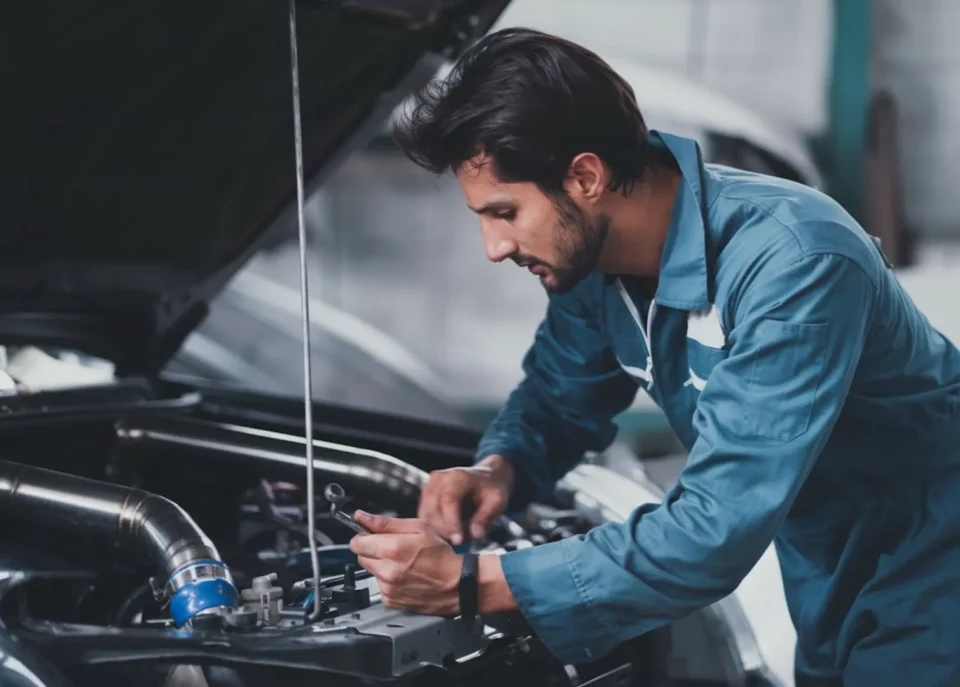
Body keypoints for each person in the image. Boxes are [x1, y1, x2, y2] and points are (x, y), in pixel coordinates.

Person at [348, 27, 960, 686]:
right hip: (829, 565)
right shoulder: (594, 264)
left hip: (935, 560)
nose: (493, 246)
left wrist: (475, 583)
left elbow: (711, 531)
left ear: (586, 175)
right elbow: (559, 396)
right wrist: (500, 470)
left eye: (505, 211)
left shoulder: (795, 264)